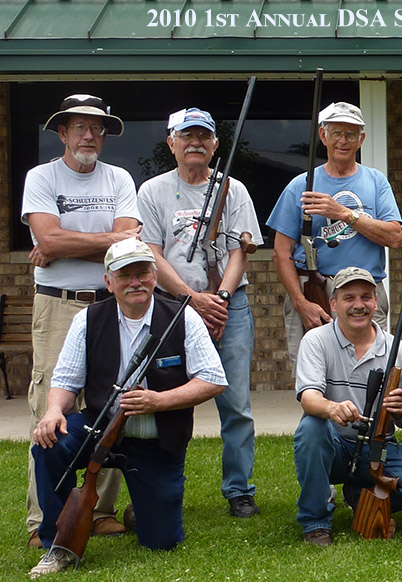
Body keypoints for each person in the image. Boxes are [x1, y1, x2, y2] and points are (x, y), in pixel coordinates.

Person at [29, 239, 226, 577]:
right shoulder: (87, 320)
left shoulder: (184, 318)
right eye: (124, 275)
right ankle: (56, 545)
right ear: (109, 282)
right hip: (99, 426)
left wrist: (159, 401)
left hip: (158, 438)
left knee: (162, 540)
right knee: (51, 444)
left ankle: (142, 510)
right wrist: (53, 411)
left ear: (154, 276)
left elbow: (213, 379)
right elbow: (65, 380)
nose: (135, 282)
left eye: (142, 273)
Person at [21, 94, 141, 547]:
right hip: (57, 302)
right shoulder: (41, 176)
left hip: (108, 305)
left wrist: (62, 243)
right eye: (80, 127)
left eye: (98, 128)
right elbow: (46, 239)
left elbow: (128, 244)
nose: (90, 135)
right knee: (50, 407)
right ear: (62, 132)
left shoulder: (121, 178)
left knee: (109, 404)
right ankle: (44, 523)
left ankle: (99, 511)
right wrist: (105, 239)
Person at [137, 107, 264, 519]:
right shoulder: (152, 191)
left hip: (230, 306)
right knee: (171, 399)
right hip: (173, 307)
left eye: (203, 136)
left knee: (236, 403)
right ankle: (163, 486)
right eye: (186, 135)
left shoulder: (233, 189)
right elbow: (151, 253)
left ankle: (239, 489)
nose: (195, 143)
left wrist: (220, 299)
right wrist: (193, 298)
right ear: (171, 143)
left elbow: (240, 251)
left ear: (215, 144)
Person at [291, 267, 402, 546]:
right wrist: (332, 409)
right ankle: (316, 522)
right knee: (311, 429)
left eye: (366, 297)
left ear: (376, 302)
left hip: (378, 447)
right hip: (332, 445)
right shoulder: (316, 340)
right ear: (333, 304)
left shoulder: (398, 350)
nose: (359, 305)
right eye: (349, 298)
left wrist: (399, 410)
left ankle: (361, 498)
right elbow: (309, 398)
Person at [267, 101, 402, 369]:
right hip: (313, 293)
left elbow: (394, 237)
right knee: (314, 376)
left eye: (351, 134)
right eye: (337, 133)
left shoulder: (376, 182)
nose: (343, 140)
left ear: (361, 139)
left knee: (372, 373)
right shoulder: (300, 186)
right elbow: (280, 253)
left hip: (365, 291)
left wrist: (344, 213)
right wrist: (301, 303)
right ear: (323, 136)